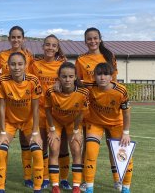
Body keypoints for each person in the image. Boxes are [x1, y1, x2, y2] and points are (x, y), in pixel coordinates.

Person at [75, 27, 120, 191]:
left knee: (113, 145)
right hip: (91, 109)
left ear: (100, 39)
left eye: (95, 38)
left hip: (109, 108)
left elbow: (114, 82)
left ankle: (118, 179)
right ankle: (86, 180)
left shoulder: (109, 57)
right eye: (89, 39)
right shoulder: (81, 59)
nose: (92, 41)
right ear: (85, 41)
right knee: (89, 146)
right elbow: (77, 81)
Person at [0, 26, 35, 188]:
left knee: (26, 143)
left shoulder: (29, 56)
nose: (16, 40)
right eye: (13, 37)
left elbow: (32, 77)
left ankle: (28, 177)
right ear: (9, 39)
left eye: (19, 37)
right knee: (1, 143)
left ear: (23, 39)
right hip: (6, 105)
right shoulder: (2, 55)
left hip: (24, 106)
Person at [0, 52, 43, 193]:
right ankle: (1, 187)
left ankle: (37, 187)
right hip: (9, 121)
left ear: (25, 65)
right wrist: (2, 132)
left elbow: (35, 108)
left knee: (37, 151)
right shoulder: (2, 80)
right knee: (0, 152)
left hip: (28, 121)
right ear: (8, 66)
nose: (16, 67)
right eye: (13, 64)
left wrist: (35, 132)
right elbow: (2, 107)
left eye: (20, 64)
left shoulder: (33, 80)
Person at [29, 34, 71, 190]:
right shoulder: (34, 64)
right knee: (43, 145)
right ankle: (45, 177)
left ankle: (64, 178)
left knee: (62, 145)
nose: (50, 48)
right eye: (47, 44)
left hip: (59, 112)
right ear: (43, 46)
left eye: (54, 45)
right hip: (40, 110)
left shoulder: (63, 64)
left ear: (57, 48)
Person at [84, 63, 133, 193]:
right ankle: (89, 187)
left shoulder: (121, 91)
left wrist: (126, 133)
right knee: (91, 151)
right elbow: (71, 81)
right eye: (99, 74)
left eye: (106, 74)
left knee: (123, 154)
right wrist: (58, 84)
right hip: (95, 123)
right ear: (94, 76)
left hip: (116, 124)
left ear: (112, 77)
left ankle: (125, 186)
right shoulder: (89, 86)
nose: (102, 77)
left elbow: (126, 113)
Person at [45, 62, 89, 193]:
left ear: (76, 77)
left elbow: (81, 113)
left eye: (70, 76)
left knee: (76, 148)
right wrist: (52, 130)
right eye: (64, 76)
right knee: (53, 149)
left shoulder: (83, 92)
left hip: (73, 123)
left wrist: (76, 131)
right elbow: (47, 110)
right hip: (56, 122)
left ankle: (76, 185)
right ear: (59, 77)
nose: (67, 79)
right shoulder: (51, 91)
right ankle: (55, 185)